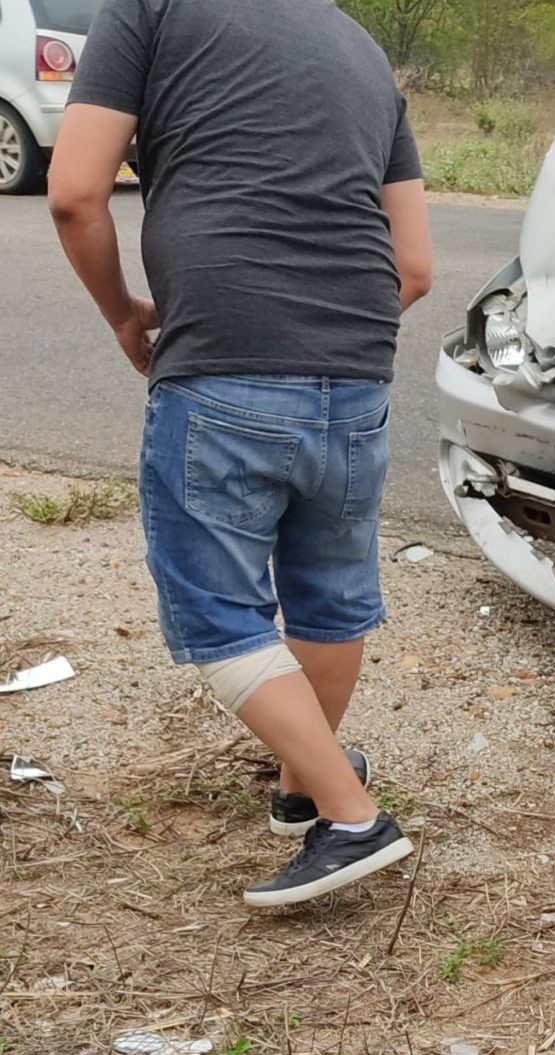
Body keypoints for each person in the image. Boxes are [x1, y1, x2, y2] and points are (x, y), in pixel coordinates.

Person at [49, 0, 434, 908]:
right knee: (330, 596)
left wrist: (123, 315)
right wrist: (323, 334)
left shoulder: (153, 7)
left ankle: (351, 817)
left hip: (224, 363)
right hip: (358, 374)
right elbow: (414, 267)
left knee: (216, 611)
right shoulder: (361, 47)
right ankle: (304, 787)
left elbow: (73, 192)